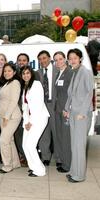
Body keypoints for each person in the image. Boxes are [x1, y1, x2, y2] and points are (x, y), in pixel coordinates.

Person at [64, 48, 94, 183]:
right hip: (73, 113)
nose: (72, 60)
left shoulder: (85, 72)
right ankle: (73, 171)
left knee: (79, 146)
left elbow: (89, 94)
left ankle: (79, 175)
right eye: (70, 58)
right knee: (74, 144)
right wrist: (67, 109)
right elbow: (71, 94)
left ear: (80, 59)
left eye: (74, 58)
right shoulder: (74, 73)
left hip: (82, 114)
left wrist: (82, 113)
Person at [21, 66, 49, 177]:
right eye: (23, 73)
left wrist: (31, 122)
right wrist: (26, 121)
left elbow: (37, 105)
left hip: (39, 119)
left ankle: (40, 171)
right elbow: (25, 107)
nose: (25, 75)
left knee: (30, 145)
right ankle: (33, 167)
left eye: (28, 73)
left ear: (31, 74)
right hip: (29, 120)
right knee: (25, 145)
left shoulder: (36, 85)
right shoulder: (25, 86)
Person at [0, 63, 21, 173]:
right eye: (5, 71)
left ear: (14, 72)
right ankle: (15, 163)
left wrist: (7, 117)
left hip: (12, 116)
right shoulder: (6, 83)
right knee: (9, 140)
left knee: (3, 140)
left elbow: (13, 101)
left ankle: (7, 165)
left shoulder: (15, 82)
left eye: (9, 71)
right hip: (3, 116)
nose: (6, 73)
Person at [37, 50, 59, 166]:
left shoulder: (58, 70)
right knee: (43, 133)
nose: (42, 61)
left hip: (54, 106)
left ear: (50, 58)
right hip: (42, 106)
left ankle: (59, 158)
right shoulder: (37, 73)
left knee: (56, 133)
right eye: (40, 59)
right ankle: (45, 156)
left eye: (44, 58)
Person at [53, 51, 73, 173]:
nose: (58, 61)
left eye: (60, 59)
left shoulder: (70, 73)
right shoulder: (58, 73)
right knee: (60, 137)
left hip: (65, 111)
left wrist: (68, 109)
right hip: (58, 110)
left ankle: (67, 164)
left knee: (66, 138)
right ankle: (62, 161)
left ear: (65, 59)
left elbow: (72, 93)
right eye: (56, 60)